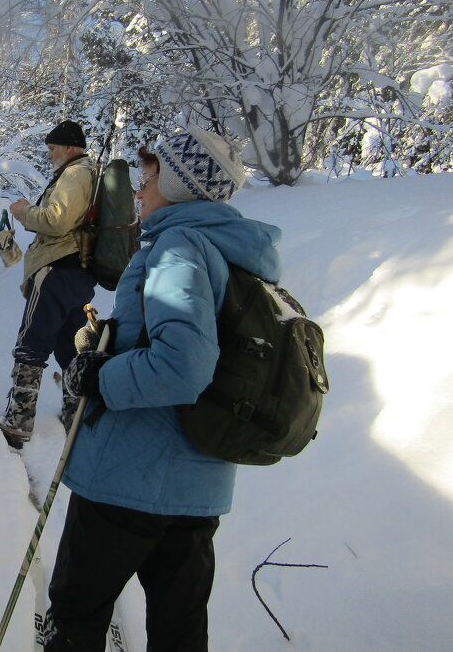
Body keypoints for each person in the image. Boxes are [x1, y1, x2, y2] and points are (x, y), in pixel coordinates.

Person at [44, 126, 283, 652]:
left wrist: (99, 377)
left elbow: (183, 365)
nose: (140, 189)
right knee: (178, 634)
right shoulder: (229, 252)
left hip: (129, 477)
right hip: (197, 488)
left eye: (150, 177)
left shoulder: (178, 248)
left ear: (178, 186)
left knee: (76, 616)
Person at [0, 119, 97, 450]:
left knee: (32, 343)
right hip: (79, 274)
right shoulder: (90, 174)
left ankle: (18, 421)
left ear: (69, 147)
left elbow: (56, 220)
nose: (50, 155)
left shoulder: (75, 173)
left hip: (55, 271)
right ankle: (73, 414)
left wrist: (25, 211)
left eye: (53, 148)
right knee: (70, 347)